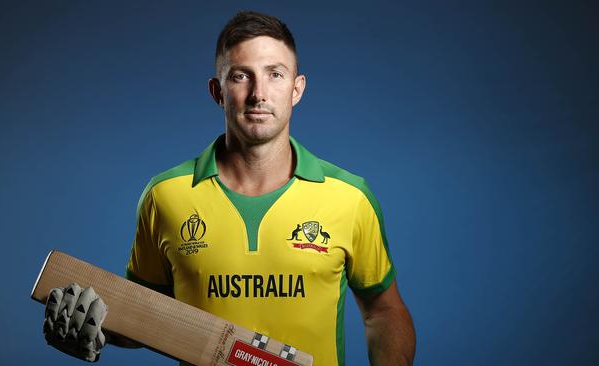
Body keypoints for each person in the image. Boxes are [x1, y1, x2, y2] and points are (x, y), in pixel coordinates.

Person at [43, 11, 416, 365]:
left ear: (297, 89)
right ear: (217, 91)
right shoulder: (165, 196)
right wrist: (95, 325)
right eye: (241, 76)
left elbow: (384, 311)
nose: (259, 94)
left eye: (275, 74)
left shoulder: (349, 197)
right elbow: (146, 319)